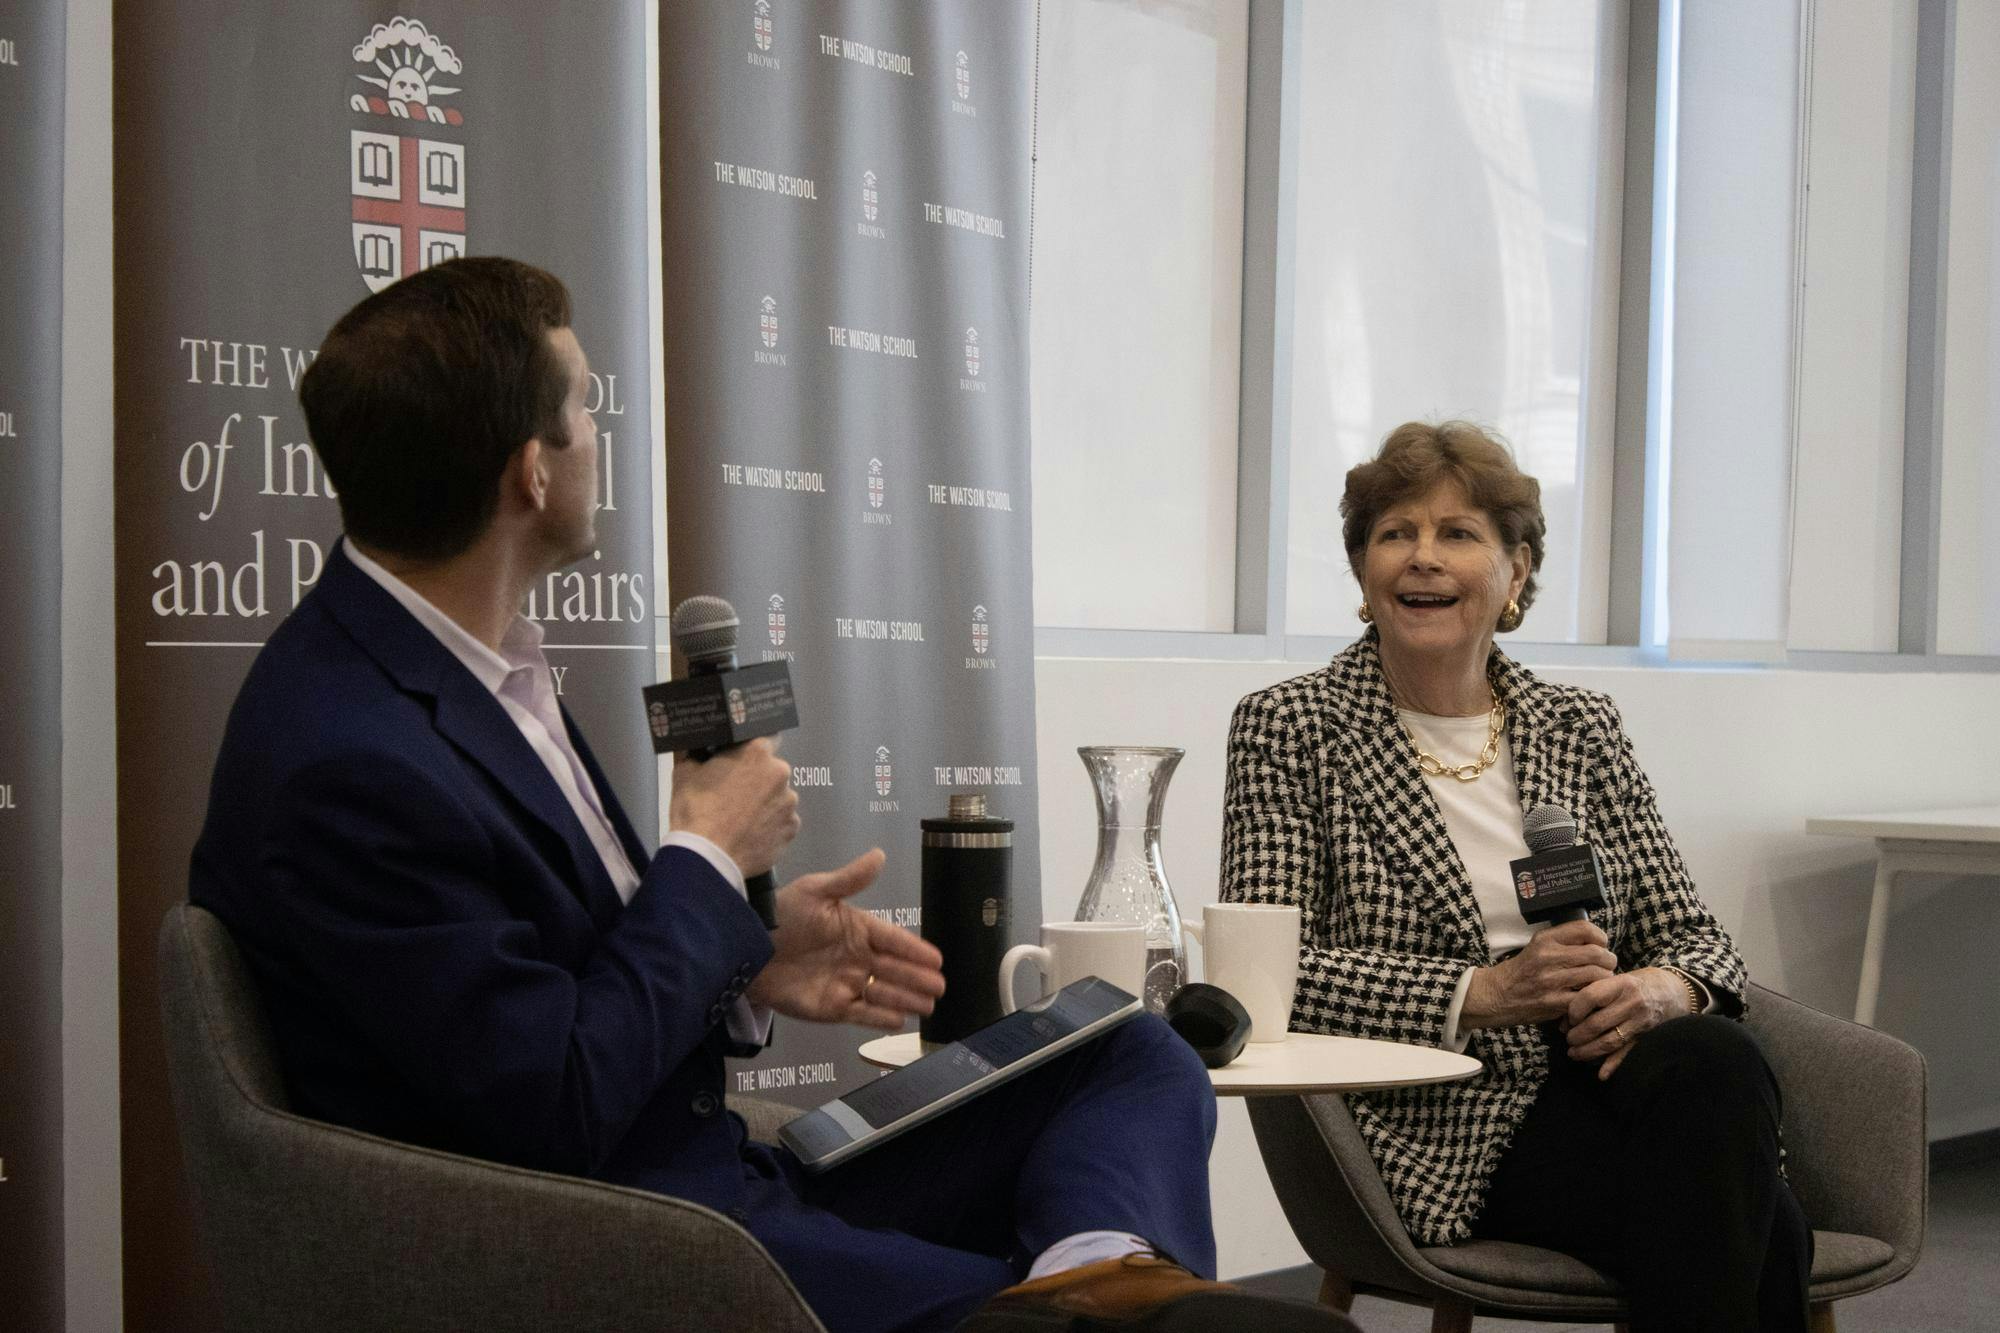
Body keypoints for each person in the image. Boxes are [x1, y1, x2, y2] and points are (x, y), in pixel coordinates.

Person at [190, 258, 1355, 1333]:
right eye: (588, 406)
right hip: (630, 1242)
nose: (603, 435)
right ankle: (1092, 1301)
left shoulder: (463, 669)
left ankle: (1094, 1279)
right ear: (530, 471)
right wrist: (700, 863)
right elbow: (548, 1105)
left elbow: (548, 975)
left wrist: (743, 956)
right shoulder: (346, 755)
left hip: (723, 1174)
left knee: (1131, 1051)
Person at [1219, 421, 1811, 1333]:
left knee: (1714, 1056)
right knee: (1761, 1227)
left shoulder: (1578, 725)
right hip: (1439, 1117)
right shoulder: (1291, 726)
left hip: (1609, 1075)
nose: (1423, 559)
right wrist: (1482, 990)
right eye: (1394, 533)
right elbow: (1268, 973)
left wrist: (1662, 986)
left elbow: (1698, 937)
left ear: (1517, 572)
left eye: (1458, 533)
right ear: (1363, 573)